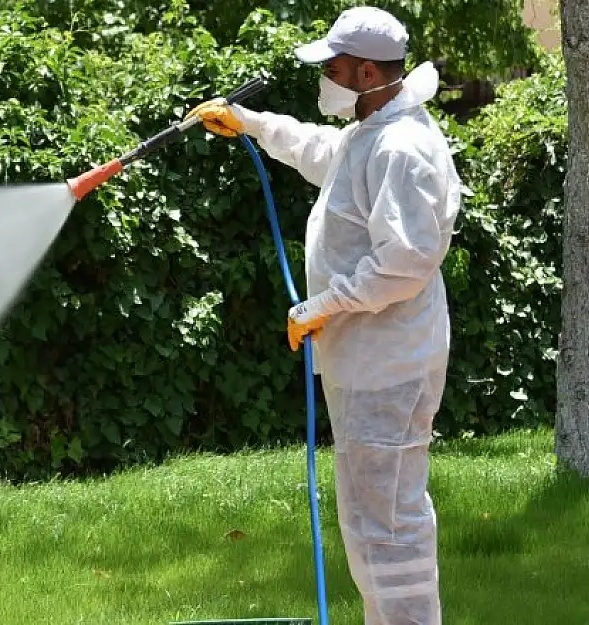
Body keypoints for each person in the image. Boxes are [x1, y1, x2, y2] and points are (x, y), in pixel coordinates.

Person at [186, 6, 462, 625]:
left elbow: (407, 261)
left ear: (365, 71)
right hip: (371, 359)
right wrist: (252, 123)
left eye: (333, 67)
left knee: (386, 525)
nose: (326, 76)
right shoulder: (372, 129)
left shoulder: (401, 147)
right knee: (376, 520)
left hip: (387, 364)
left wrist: (324, 306)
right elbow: (322, 151)